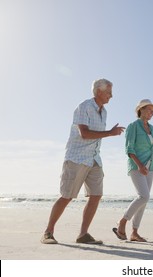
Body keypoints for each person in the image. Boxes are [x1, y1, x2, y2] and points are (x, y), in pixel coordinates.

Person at [41, 78, 125, 245]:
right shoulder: (84, 106)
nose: (111, 96)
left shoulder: (104, 112)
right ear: (99, 91)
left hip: (94, 159)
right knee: (67, 196)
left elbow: (96, 135)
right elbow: (84, 134)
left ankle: (83, 234)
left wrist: (109, 133)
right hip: (77, 157)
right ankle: (48, 232)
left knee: (96, 195)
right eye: (109, 92)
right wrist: (110, 133)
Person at [112, 99, 153, 242]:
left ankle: (134, 232)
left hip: (150, 166)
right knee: (144, 196)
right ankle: (122, 222)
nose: (152, 113)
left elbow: (150, 149)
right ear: (140, 110)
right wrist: (140, 165)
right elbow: (129, 149)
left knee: (144, 201)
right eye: (149, 110)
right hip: (136, 166)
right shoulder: (133, 126)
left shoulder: (151, 128)